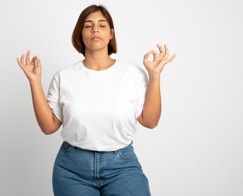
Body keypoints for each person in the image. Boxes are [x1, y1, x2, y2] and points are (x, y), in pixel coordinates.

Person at [16, 4, 176, 196]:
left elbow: (150, 121)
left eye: (102, 25)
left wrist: (155, 76)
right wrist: (34, 82)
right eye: (88, 25)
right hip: (71, 169)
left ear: (111, 34)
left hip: (122, 167)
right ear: (80, 34)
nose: (95, 29)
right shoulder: (64, 77)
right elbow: (48, 127)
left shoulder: (133, 74)